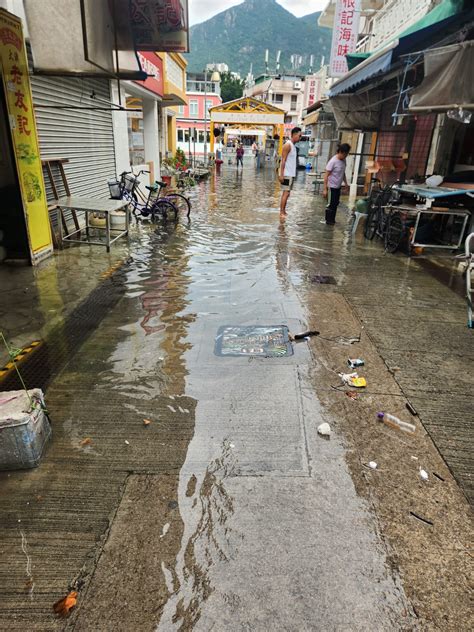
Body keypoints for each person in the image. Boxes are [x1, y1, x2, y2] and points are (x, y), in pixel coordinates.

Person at [322, 143, 351, 225]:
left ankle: (332, 221)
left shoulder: (343, 160)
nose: (346, 156)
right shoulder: (333, 161)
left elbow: (343, 172)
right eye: (345, 154)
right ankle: (328, 222)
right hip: (331, 187)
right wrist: (325, 189)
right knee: (330, 204)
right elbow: (326, 175)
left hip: (338, 187)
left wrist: (345, 183)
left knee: (335, 203)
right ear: (341, 152)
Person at [279, 127, 302, 217]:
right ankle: (281, 212)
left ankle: (283, 211)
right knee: (286, 193)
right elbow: (283, 160)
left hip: (291, 174)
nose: (300, 138)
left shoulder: (293, 146)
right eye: (299, 136)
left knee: (288, 193)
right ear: (294, 135)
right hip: (287, 174)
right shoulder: (287, 145)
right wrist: (281, 174)